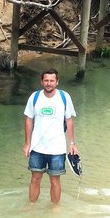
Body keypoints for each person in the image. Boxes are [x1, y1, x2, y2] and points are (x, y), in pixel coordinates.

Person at [23, 68, 78, 204]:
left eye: (52, 81)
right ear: (42, 82)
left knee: (55, 180)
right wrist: (27, 143)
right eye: (46, 80)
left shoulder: (64, 97)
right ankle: (31, 207)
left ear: (57, 82)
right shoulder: (34, 97)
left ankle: (55, 209)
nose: (49, 83)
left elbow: (69, 120)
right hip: (37, 147)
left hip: (57, 148)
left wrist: (72, 143)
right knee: (35, 179)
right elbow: (28, 119)